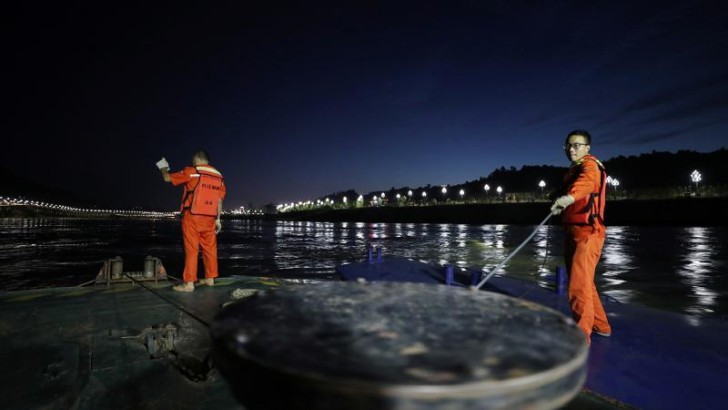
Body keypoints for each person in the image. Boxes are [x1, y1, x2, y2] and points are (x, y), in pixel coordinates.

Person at [550, 130, 611, 343]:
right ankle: (601, 325)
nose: (571, 149)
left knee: (578, 284)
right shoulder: (574, 169)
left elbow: (587, 183)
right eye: (568, 145)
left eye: (576, 145)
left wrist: (568, 197)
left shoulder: (590, 166)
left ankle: (581, 336)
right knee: (586, 282)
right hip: (573, 231)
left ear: (587, 148)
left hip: (588, 232)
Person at [156, 150, 226, 292]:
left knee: (192, 250)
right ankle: (210, 279)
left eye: (193, 159)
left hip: (192, 216)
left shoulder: (192, 171)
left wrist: (163, 167)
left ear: (196, 159)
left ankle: (189, 284)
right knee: (210, 249)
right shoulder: (219, 176)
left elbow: (167, 178)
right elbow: (219, 200)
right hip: (210, 218)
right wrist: (218, 220)